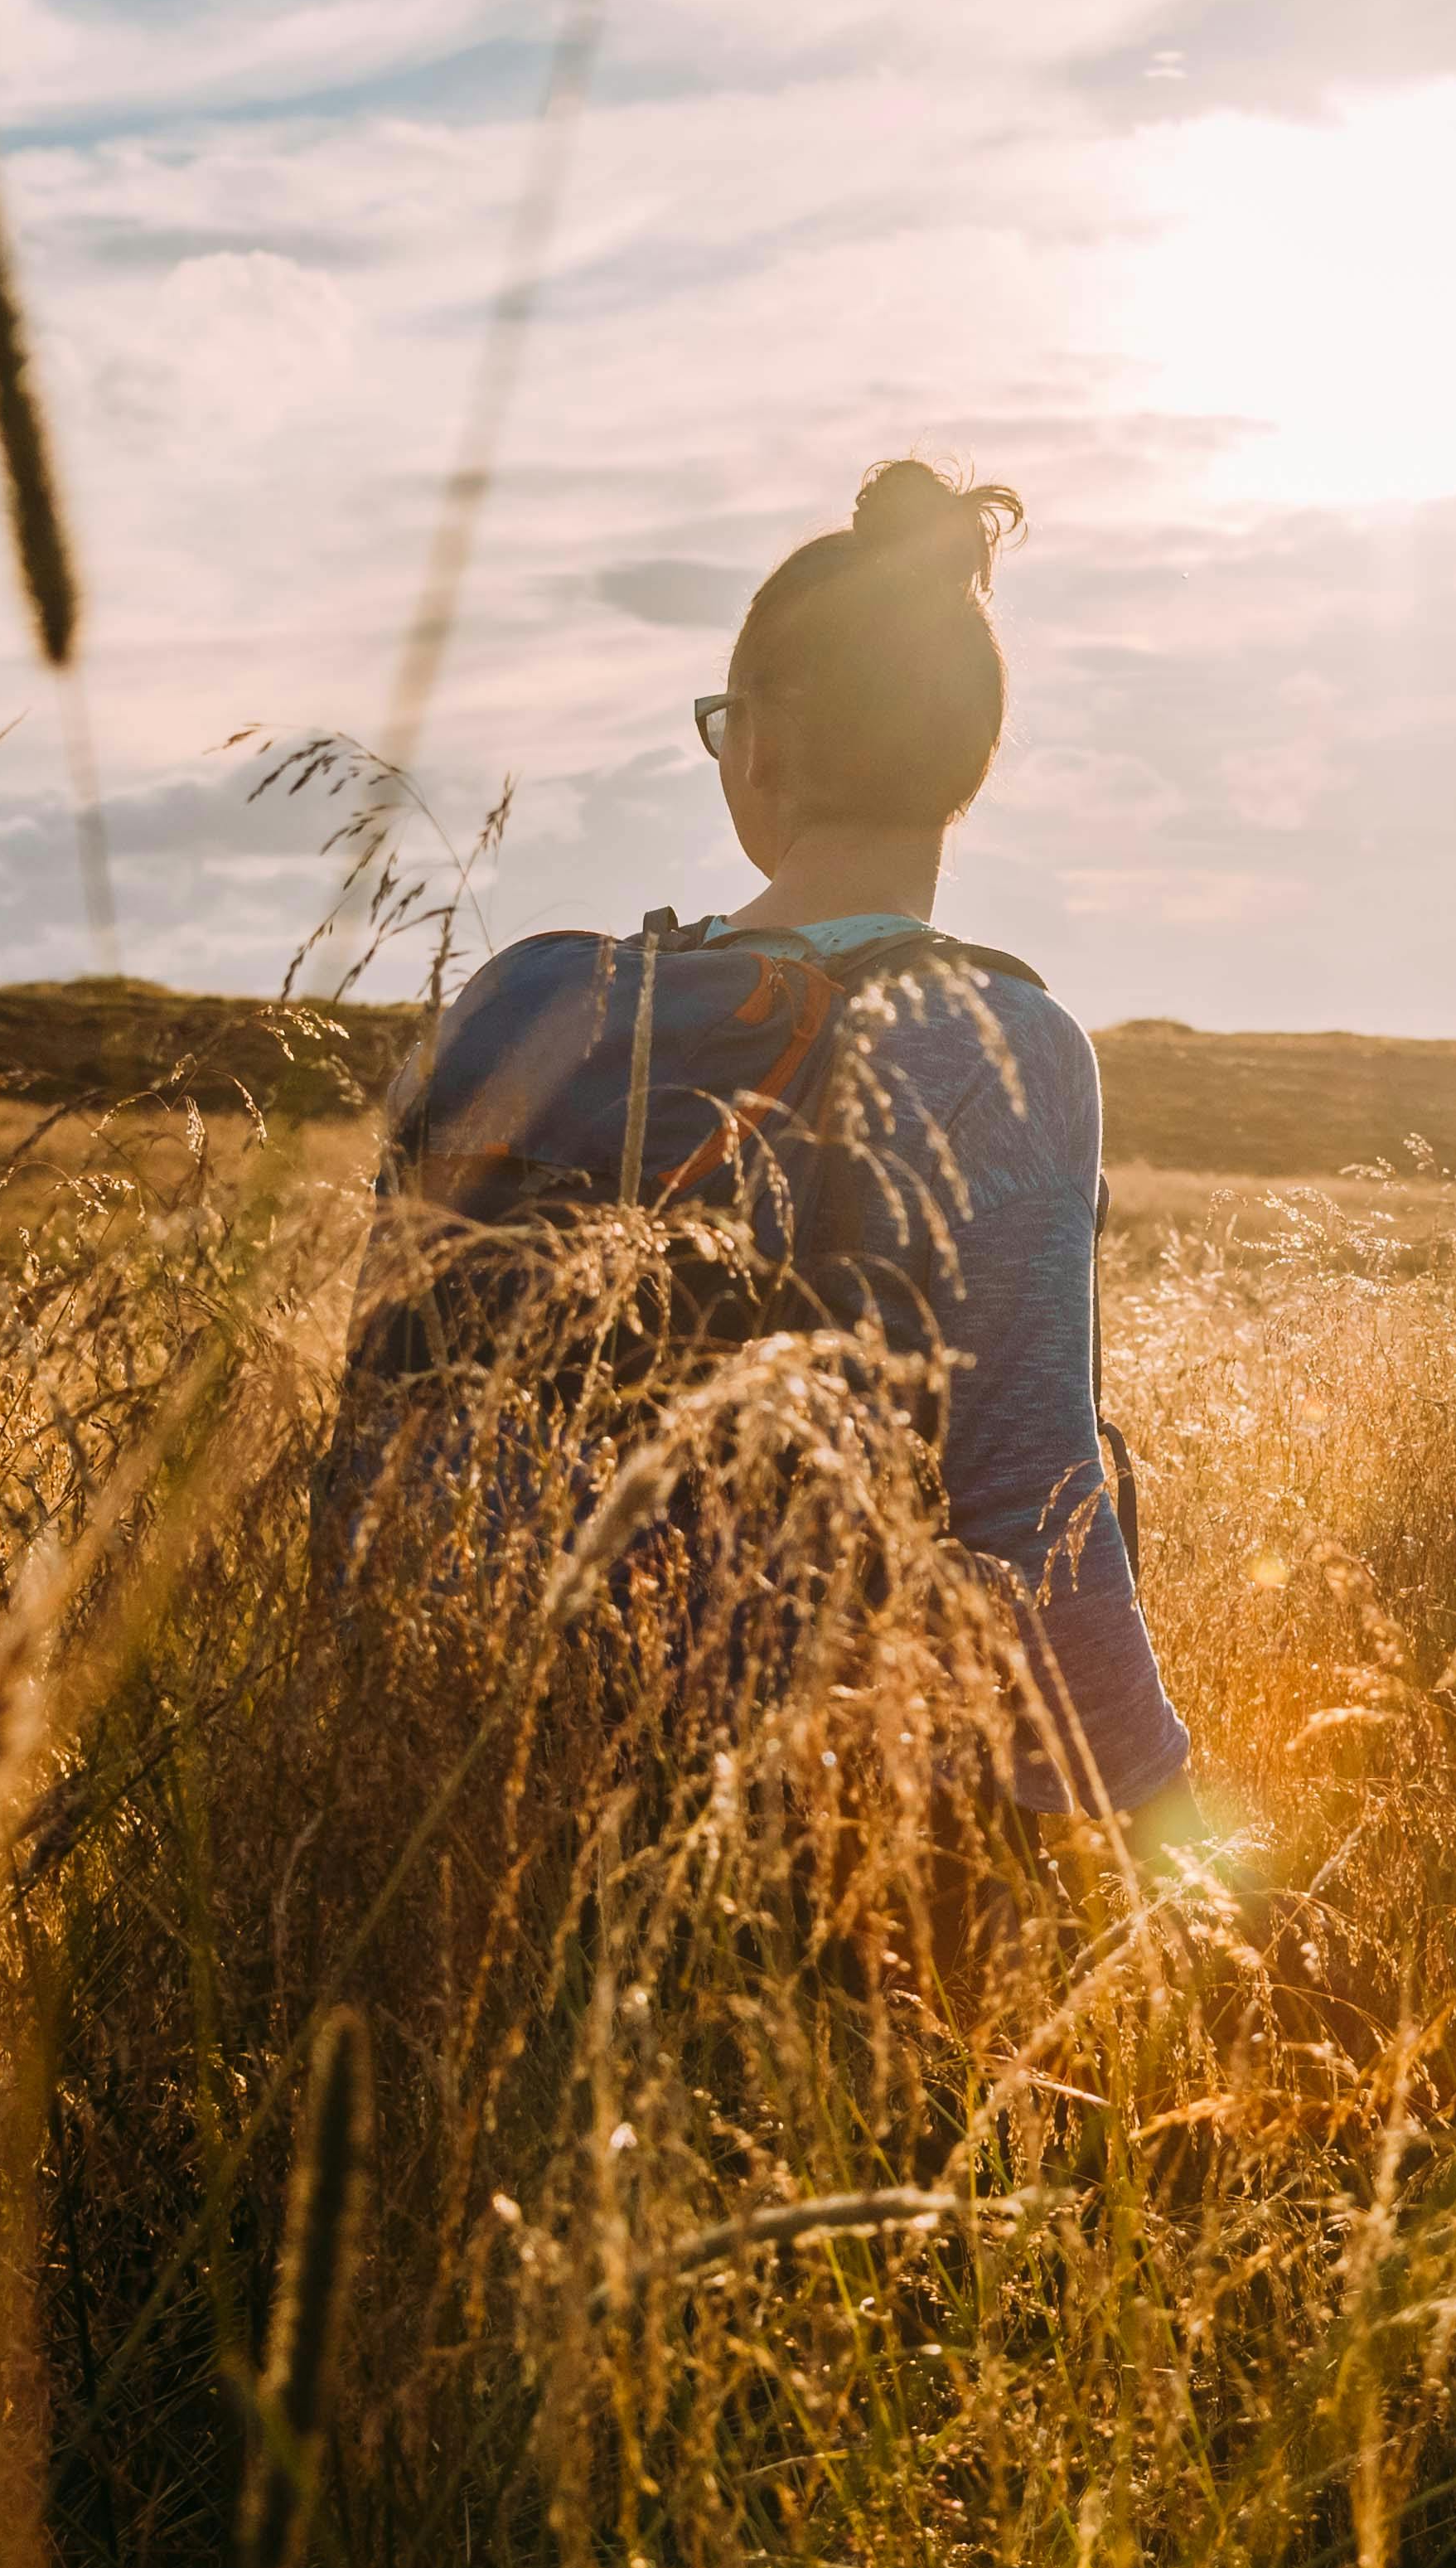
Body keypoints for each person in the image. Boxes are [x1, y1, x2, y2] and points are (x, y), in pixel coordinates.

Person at [340, 458, 1197, 1835]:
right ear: (968, 760)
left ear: (762, 743)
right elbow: (1035, 1506)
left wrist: (351, 1762)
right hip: (788, 1827)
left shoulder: (526, 1000)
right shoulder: (998, 1041)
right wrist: (1169, 1847)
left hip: (451, 1780)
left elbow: (375, 1421)